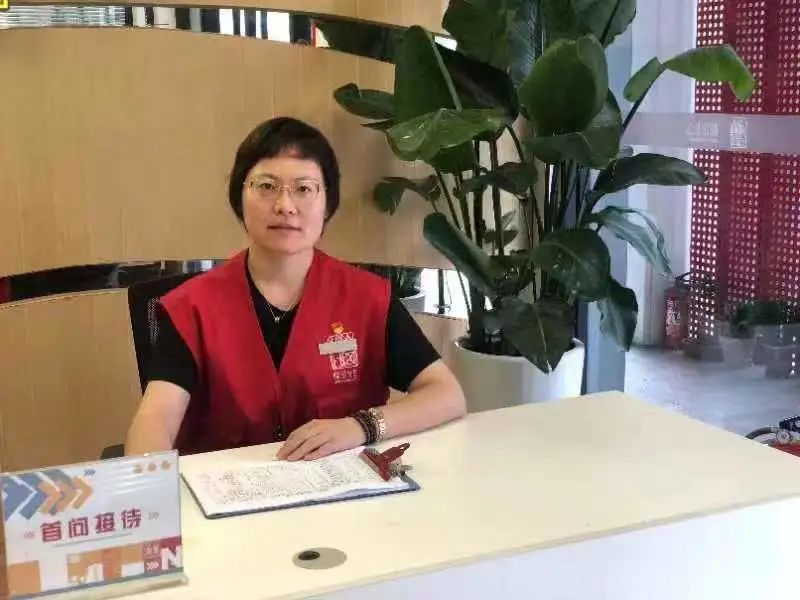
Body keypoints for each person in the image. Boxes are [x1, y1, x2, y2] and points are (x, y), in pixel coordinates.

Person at [126, 117, 466, 461]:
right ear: (239, 198)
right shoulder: (191, 308)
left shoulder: (368, 298)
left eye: (303, 189)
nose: (285, 206)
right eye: (266, 186)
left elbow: (446, 394)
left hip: (341, 486)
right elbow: (156, 417)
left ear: (327, 203)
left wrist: (361, 426)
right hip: (227, 487)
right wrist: (147, 483)